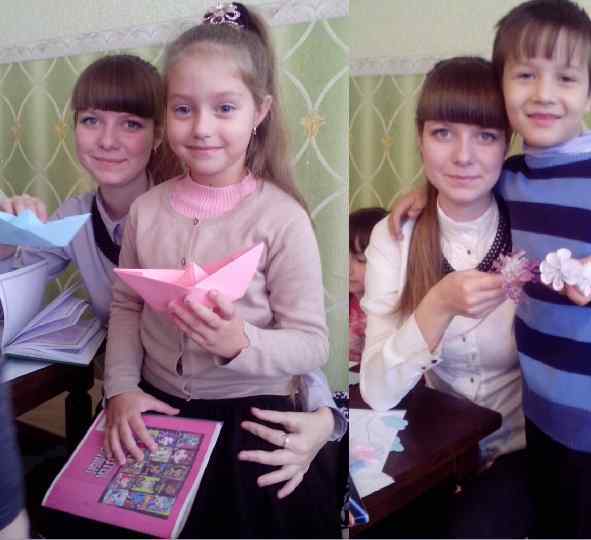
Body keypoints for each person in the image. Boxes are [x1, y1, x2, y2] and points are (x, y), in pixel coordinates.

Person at [385, 1, 591, 536]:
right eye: (525, 76)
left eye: (565, 78)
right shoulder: (511, 178)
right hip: (540, 426)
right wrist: (422, 193)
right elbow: (463, 184)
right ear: (502, 88)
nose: (543, 93)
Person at [0, 53, 344, 515]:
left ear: (158, 131)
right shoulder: (78, 216)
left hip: (243, 399)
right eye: (90, 120)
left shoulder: (221, 205)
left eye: (131, 123)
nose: (107, 140)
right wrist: (9, 238)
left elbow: (294, 336)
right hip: (147, 395)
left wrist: (326, 418)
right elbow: (24, 280)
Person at [103, 4, 340, 537]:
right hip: (157, 407)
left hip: (251, 420)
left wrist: (241, 343)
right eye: (183, 109)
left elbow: (312, 345)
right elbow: (126, 305)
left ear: (260, 112)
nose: (202, 128)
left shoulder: (282, 218)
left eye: (225, 108)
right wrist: (119, 389)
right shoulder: (146, 210)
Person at [349, 207, 387, 364]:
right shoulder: (339, 303)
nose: (348, 269)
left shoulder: (390, 309)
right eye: (343, 257)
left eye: (361, 260)